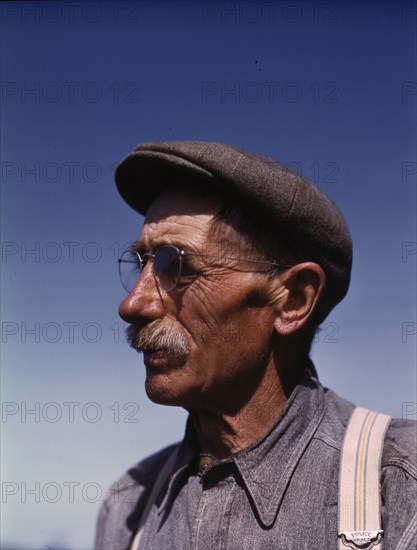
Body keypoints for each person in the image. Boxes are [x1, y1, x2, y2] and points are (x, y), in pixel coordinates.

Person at [95, 141, 416, 550]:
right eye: (141, 262)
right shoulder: (128, 509)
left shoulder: (398, 485)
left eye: (176, 265)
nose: (133, 304)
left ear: (294, 300)